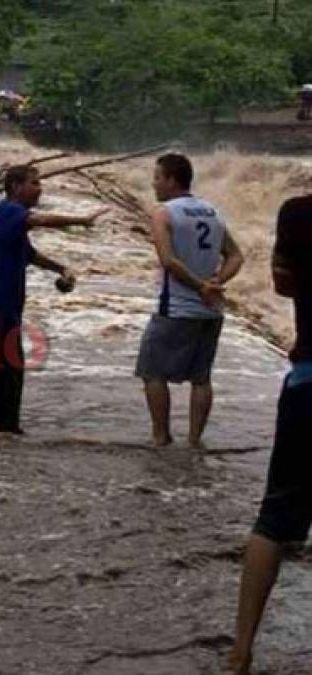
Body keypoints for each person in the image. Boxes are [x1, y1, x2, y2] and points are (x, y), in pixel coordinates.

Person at [228, 195, 312, 675]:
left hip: (308, 382)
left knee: (275, 517)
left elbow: (281, 281)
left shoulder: (299, 213)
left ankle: (240, 652)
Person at [0, 165, 106, 434]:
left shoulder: (10, 221)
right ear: (16, 187)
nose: (39, 188)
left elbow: (29, 255)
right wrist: (81, 220)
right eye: (34, 183)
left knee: (2, 366)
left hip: (1, 302)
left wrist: (60, 268)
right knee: (4, 366)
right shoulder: (8, 211)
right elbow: (40, 220)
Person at [135, 153, 244, 448]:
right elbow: (236, 255)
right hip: (211, 311)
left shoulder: (164, 212)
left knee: (151, 371)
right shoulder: (212, 212)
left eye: (157, 177)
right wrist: (216, 282)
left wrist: (200, 286)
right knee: (201, 378)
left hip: (176, 308)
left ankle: (161, 436)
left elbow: (168, 261)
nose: (154, 183)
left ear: (171, 180)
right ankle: (195, 441)